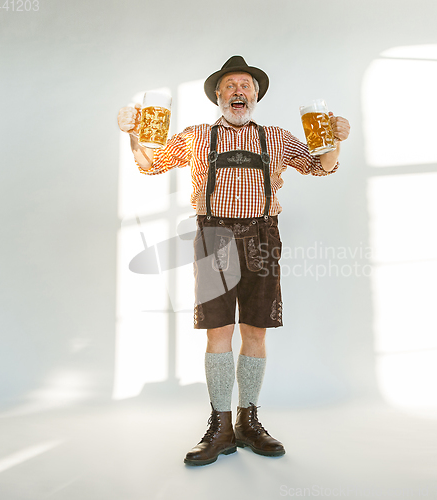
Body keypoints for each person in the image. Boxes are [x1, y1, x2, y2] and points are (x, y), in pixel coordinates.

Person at [117, 55, 351, 466]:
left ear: (256, 95)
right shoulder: (196, 136)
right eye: (229, 86)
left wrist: (337, 142)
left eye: (245, 85)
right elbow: (150, 165)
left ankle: (249, 420)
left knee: (256, 332)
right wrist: (133, 136)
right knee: (218, 332)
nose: (238, 92)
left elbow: (321, 167)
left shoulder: (276, 137)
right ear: (218, 96)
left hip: (263, 237)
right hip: (214, 238)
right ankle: (221, 425)